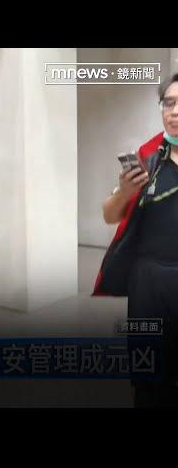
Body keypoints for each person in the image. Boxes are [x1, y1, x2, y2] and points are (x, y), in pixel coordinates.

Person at [94, 72, 178, 407]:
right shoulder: (148, 160)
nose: (174, 111)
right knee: (148, 376)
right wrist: (125, 191)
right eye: (169, 104)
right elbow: (109, 214)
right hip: (148, 285)